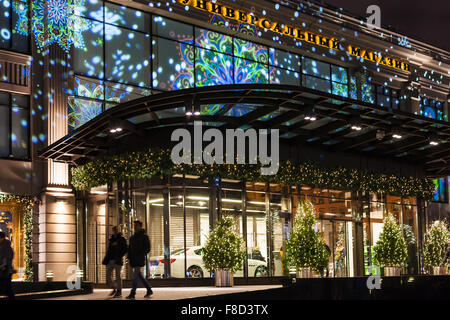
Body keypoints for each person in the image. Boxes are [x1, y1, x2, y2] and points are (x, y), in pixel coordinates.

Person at [126, 221, 153, 300]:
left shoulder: (144, 237)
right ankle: (149, 289)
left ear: (141, 227)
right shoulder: (132, 238)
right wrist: (129, 258)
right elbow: (129, 249)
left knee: (135, 276)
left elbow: (147, 248)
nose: (135, 227)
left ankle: (133, 293)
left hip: (139, 259)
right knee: (139, 276)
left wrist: (141, 253)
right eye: (134, 225)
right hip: (133, 260)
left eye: (137, 225)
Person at [103, 226, 128, 298]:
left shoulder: (122, 239)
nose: (115, 231)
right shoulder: (111, 239)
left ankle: (119, 291)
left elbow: (125, 249)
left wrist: (120, 256)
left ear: (118, 230)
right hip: (110, 260)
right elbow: (109, 250)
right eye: (114, 230)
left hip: (118, 260)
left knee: (118, 276)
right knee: (108, 274)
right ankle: (114, 288)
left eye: (116, 230)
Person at [0, 232, 15, 300]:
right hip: (4, 271)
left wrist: (3, 266)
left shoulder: (6, 247)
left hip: (5, 271)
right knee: (7, 289)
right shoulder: (3, 246)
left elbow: (7, 259)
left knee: (8, 289)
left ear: (2, 238)